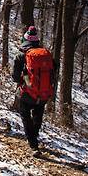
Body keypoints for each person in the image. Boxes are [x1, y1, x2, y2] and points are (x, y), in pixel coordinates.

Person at [12, 26, 56, 156]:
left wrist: (24, 79)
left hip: (27, 93)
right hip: (43, 93)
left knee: (25, 117)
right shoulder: (47, 54)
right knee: (38, 115)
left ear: (25, 40)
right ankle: (34, 137)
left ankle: (33, 145)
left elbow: (15, 77)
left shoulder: (21, 56)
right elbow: (54, 71)